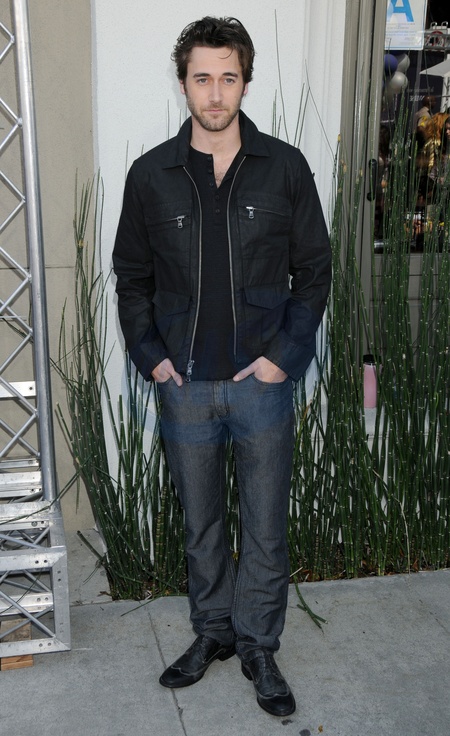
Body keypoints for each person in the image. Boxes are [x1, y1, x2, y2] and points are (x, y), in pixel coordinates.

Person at [113, 16, 331, 718]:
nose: (215, 93)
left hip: (260, 385)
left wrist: (282, 361)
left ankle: (259, 645)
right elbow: (131, 278)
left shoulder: (285, 168)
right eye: (202, 78)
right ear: (183, 84)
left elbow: (315, 272)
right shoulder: (151, 175)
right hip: (184, 386)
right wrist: (151, 357)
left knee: (265, 525)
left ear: (245, 82)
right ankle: (213, 631)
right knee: (201, 523)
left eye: (227, 77)